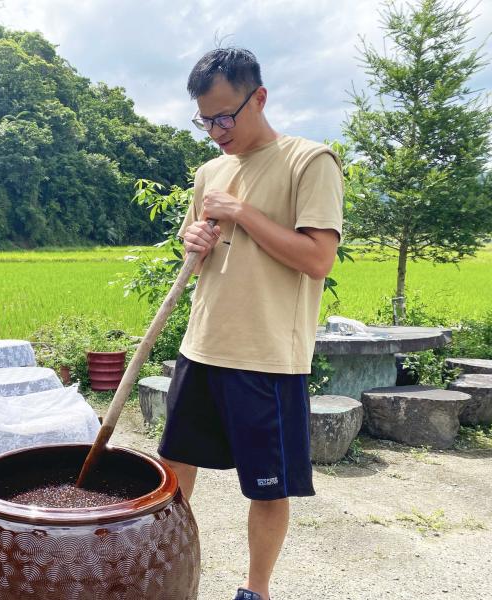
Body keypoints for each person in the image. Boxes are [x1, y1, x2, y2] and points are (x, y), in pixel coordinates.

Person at [158, 47, 343, 600]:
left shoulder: (309, 161)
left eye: (223, 116)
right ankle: (167, 572)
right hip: (202, 344)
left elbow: (317, 259)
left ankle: (255, 590)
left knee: (266, 486)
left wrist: (244, 214)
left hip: (265, 357)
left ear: (258, 97)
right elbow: (197, 251)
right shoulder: (209, 172)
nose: (215, 131)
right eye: (204, 119)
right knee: (173, 469)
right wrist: (191, 241)